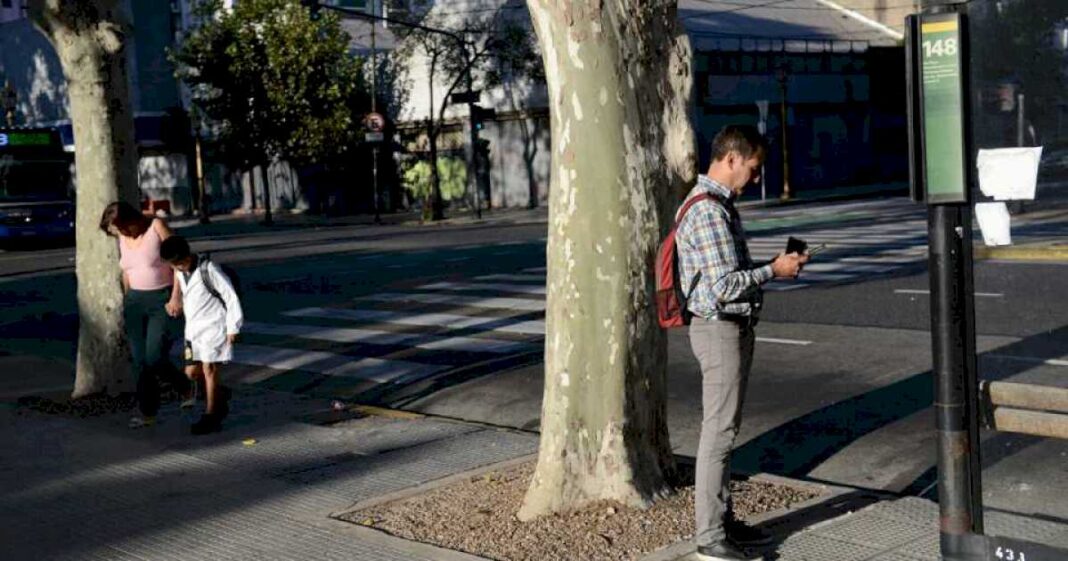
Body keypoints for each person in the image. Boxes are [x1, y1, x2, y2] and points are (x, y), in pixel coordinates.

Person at [676, 125, 809, 561]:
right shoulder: (709, 211)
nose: (754, 179)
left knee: (725, 431)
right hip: (718, 329)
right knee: (718, 433)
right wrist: (775, 270)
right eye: (753, 169)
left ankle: (722, 522)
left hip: (728, 328)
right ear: (731, 158)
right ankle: (710, 537)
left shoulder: (717, 205)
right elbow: (722, 286)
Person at [100, 201, 192, 429]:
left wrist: (176, 297)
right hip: (134, 302)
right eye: (116, 231)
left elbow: (179, 262)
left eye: (121, 228)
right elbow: (127, 271)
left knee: (154, 357)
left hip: (161, 299)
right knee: (139, 362)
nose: (120, 233)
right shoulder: (123, 237)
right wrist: (127, 297)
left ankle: (186, 387)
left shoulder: (156, 226)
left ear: (131, 220)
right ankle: (147, 413)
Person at [160, 235, 242, 435]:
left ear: (187, 255)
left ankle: (211, 416)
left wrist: (233, 327)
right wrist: (175, 302)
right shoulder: (180, 273)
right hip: (193, 330)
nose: (178, 268)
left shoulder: (209, 269)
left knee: (209, 369)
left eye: (179, 263)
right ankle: (219, 396)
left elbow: (230, 297)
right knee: (191, 374)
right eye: (174, 266)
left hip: (214, 327)